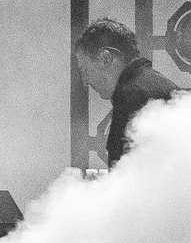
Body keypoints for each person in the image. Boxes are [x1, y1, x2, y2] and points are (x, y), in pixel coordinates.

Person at [74, 18, 177, 169]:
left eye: (85, 70)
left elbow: (123, 180)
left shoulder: (129, 97)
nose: (85, 81)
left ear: (106, 58)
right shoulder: (158, 83)